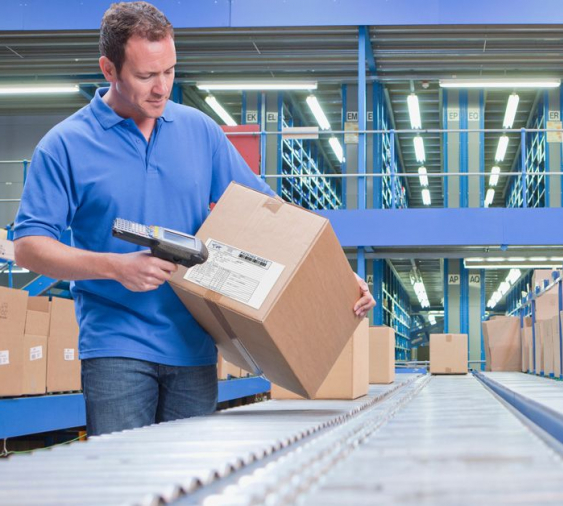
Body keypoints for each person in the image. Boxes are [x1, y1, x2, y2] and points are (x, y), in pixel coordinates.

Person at [13, 2, 375, 437]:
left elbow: (271, 215)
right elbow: (30, 245)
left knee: (192, 485)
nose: (161, 88)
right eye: (146, 76)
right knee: (123, 482)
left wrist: (335, 278)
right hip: (116, 347)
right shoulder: (66, 146)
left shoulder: (198, 132)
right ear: (108, 69)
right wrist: (115, 267)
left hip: (195, 346)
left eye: (169, 71)